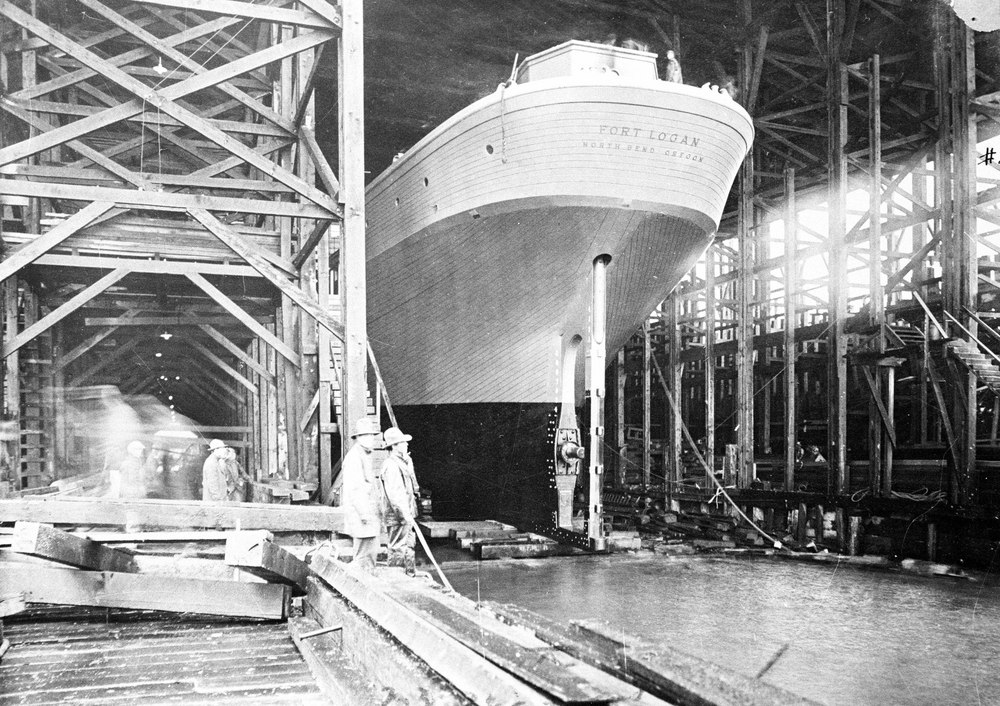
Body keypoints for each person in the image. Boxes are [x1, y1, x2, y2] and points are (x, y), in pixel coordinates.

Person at [340, 417, 383, 574]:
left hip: (368, 512)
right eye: (366, 435)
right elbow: (355, 489)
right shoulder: (354, 457)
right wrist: (364, 514)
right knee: (363, 555)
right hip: (362, 513)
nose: (370, 439)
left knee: (370, 550)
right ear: (358, 438)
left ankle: (367, 576)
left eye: (372, 435)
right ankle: (361, 581)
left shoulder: (364, 455)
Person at [380, 426, 419, 575]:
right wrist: (406, 516)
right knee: (398, 548)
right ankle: (396, 579)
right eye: (403, 442)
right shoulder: (391, 466)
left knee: (408, 546)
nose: (407, 444)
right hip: (398, 517)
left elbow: (412, 487)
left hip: (406, 515)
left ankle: (409, 575)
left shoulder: (403, 462)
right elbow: (396, 496)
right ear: (395, 446)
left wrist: (409, 463)